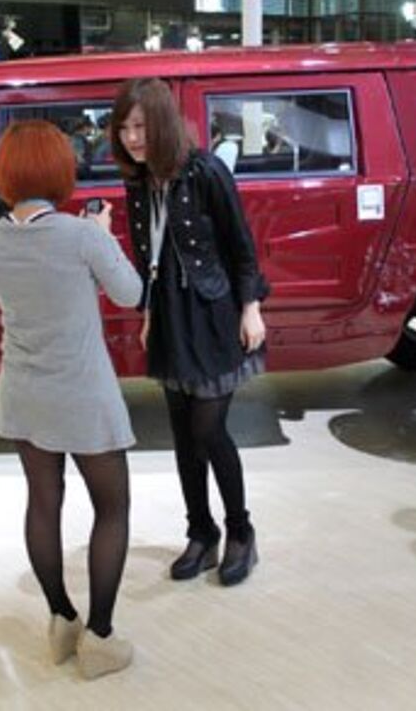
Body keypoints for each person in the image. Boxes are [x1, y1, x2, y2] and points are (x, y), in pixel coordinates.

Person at [0, 120, 142, 680]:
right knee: (112, 507)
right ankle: (101, 637)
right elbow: (130, 293)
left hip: (23, 390)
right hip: (82, 392)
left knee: (43, 503)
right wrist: (104, 234)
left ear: (5, 173)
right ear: (59, 170)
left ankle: (61, 620)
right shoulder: (81, 235)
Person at [111, 78, 268, 587]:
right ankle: (201, 533)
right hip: (168, 315)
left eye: (140, 126)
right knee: (182, 437)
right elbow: (147, 258)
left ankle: (240, 531)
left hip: (212, 310)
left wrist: (251, 307)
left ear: (161, 123)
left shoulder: (205, 171)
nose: (132, 138)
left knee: (209, 431)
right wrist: (148, 314)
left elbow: (241, 244)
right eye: (124, 128)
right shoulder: (137, 184)